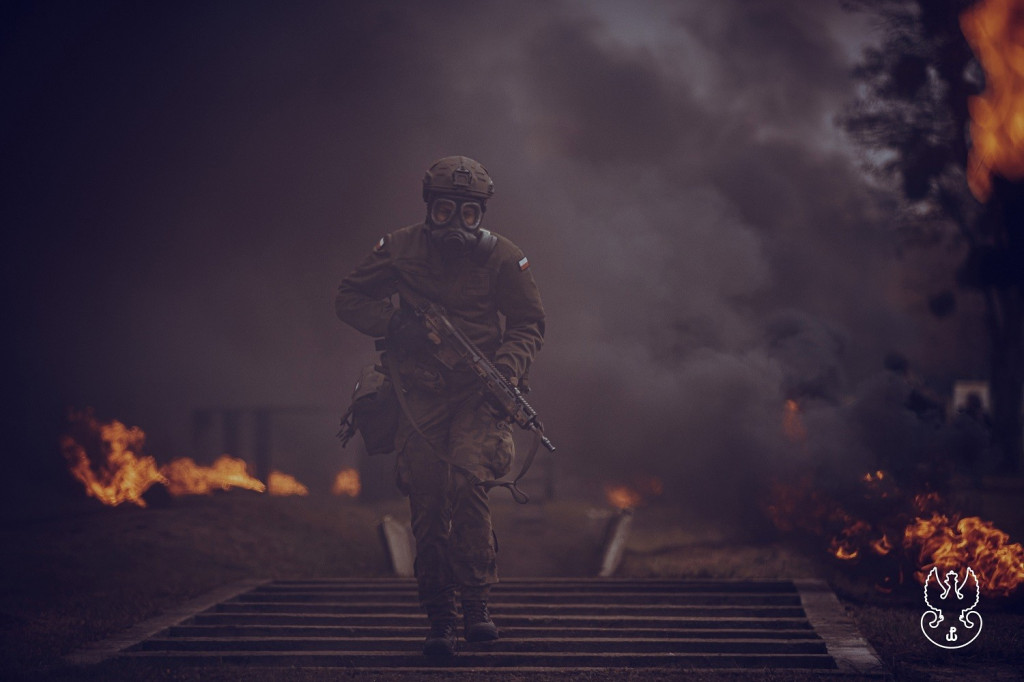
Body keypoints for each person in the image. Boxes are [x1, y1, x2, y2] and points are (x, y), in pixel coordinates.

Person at [335, 156, 546, 656]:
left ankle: (476, 605)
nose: (457, 223)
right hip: (420, 393)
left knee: (469, 482)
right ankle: (440, 618)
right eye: (447, 210)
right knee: (427, 500)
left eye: (470, 214)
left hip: (479, 393)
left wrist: (508, 371)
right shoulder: (400, 248)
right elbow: (349, 297)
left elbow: (528, 323)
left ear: (483, 214)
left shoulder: (503, 258)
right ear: (430, 207)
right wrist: (395, 325)